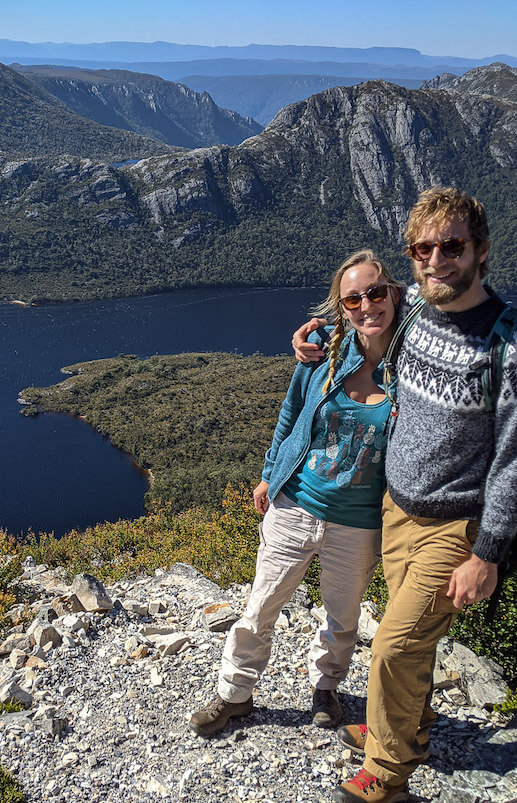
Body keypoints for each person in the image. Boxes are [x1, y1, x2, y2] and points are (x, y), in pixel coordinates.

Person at [293, 187, 517, 802]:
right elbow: (363, 312)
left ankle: (387, 774)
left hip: (457, 527)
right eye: (422, 248)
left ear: (480, 251)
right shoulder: (412, 311)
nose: (436, 259)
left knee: (391, 645)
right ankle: (409, 725)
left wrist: (487, 554)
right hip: (396, 510)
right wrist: (311, 337)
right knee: (414, 640)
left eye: (452, 246)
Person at [189, 250, 404, 737]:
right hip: (297, 503)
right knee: (260, 606)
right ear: (341, 307)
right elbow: (290, 416)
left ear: (393, 294)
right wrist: (269, 474)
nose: (366, 305)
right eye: (353, 298)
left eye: (374, 293)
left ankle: (326, 690)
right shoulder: (323, 354)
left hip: (359, 520)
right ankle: (234, 695)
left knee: (342, 616)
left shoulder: (413, 368)